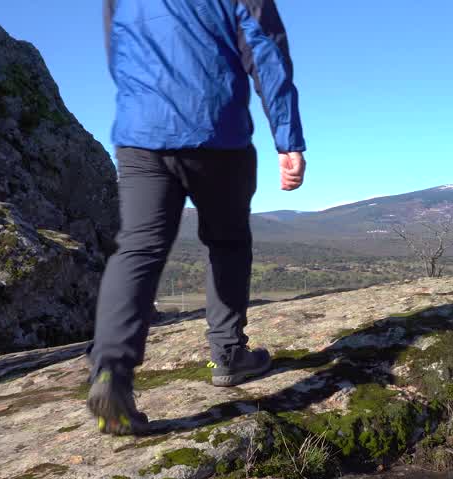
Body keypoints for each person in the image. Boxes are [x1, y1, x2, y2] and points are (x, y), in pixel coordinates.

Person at [89, 0, 306, 435]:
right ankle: (227, 355)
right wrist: (288, 138)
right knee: (226, 241)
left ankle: (111, 370)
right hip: (216, 131)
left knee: (138, 248)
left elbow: (118, 49)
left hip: (141, 134)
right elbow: (266, 52)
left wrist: (145, 103)